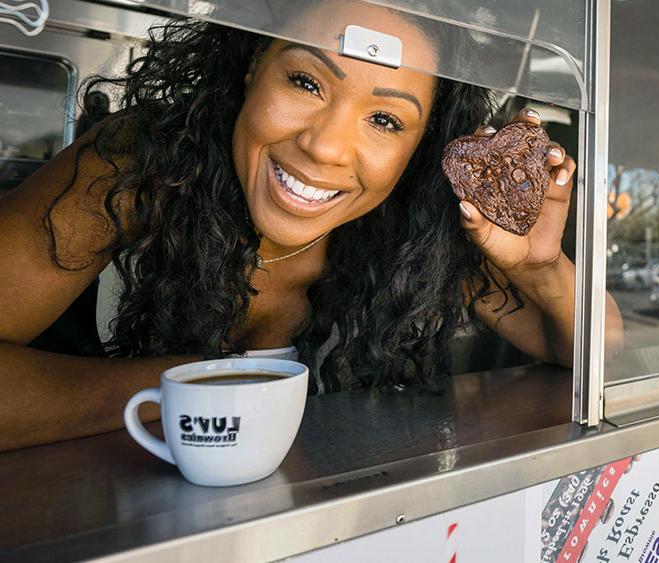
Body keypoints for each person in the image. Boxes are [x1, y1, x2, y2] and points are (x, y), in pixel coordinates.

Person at [0, 2, 622, 450]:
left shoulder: (417, 223)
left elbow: (601, 350)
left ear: (419, 147)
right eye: (305, 81)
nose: (326, 147)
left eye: (385, 121)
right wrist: (203, 390)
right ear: (251, 67)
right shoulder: (140, 164)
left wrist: (537, 269)